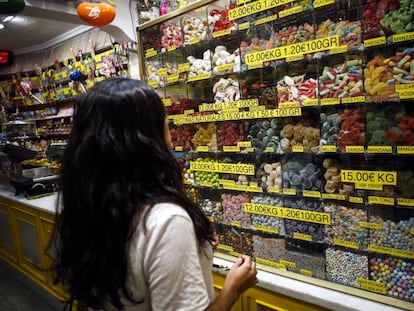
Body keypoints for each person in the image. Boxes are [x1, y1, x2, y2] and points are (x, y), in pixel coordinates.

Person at [51, 77, 258, 310]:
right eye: (165, 121)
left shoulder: (91, 203)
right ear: (146, 137)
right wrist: (232, 289)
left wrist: (193, 245)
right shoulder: (166, 220)